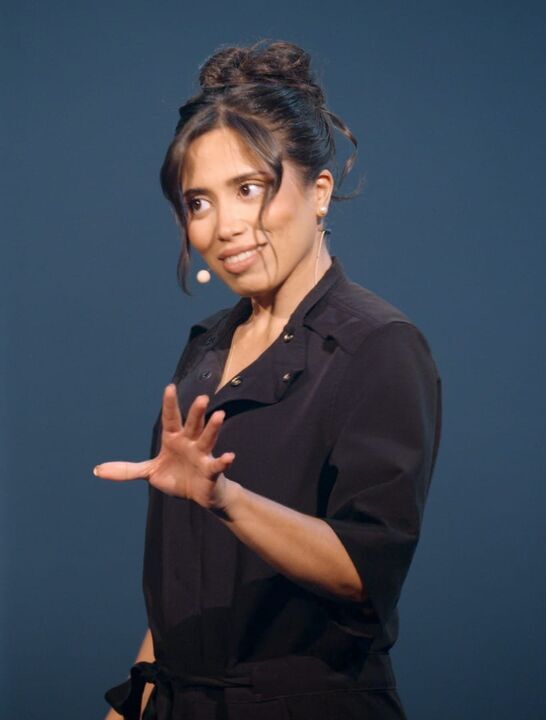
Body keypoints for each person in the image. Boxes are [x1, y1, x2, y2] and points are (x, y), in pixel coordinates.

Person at [93, 39, 443, 719]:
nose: (225, 226)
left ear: (319, 192)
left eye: (249, 189)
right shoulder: (207, 349)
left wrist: (225, 498)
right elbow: (188, 595)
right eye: (199, 202)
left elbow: (364, 570)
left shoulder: (378, 347)